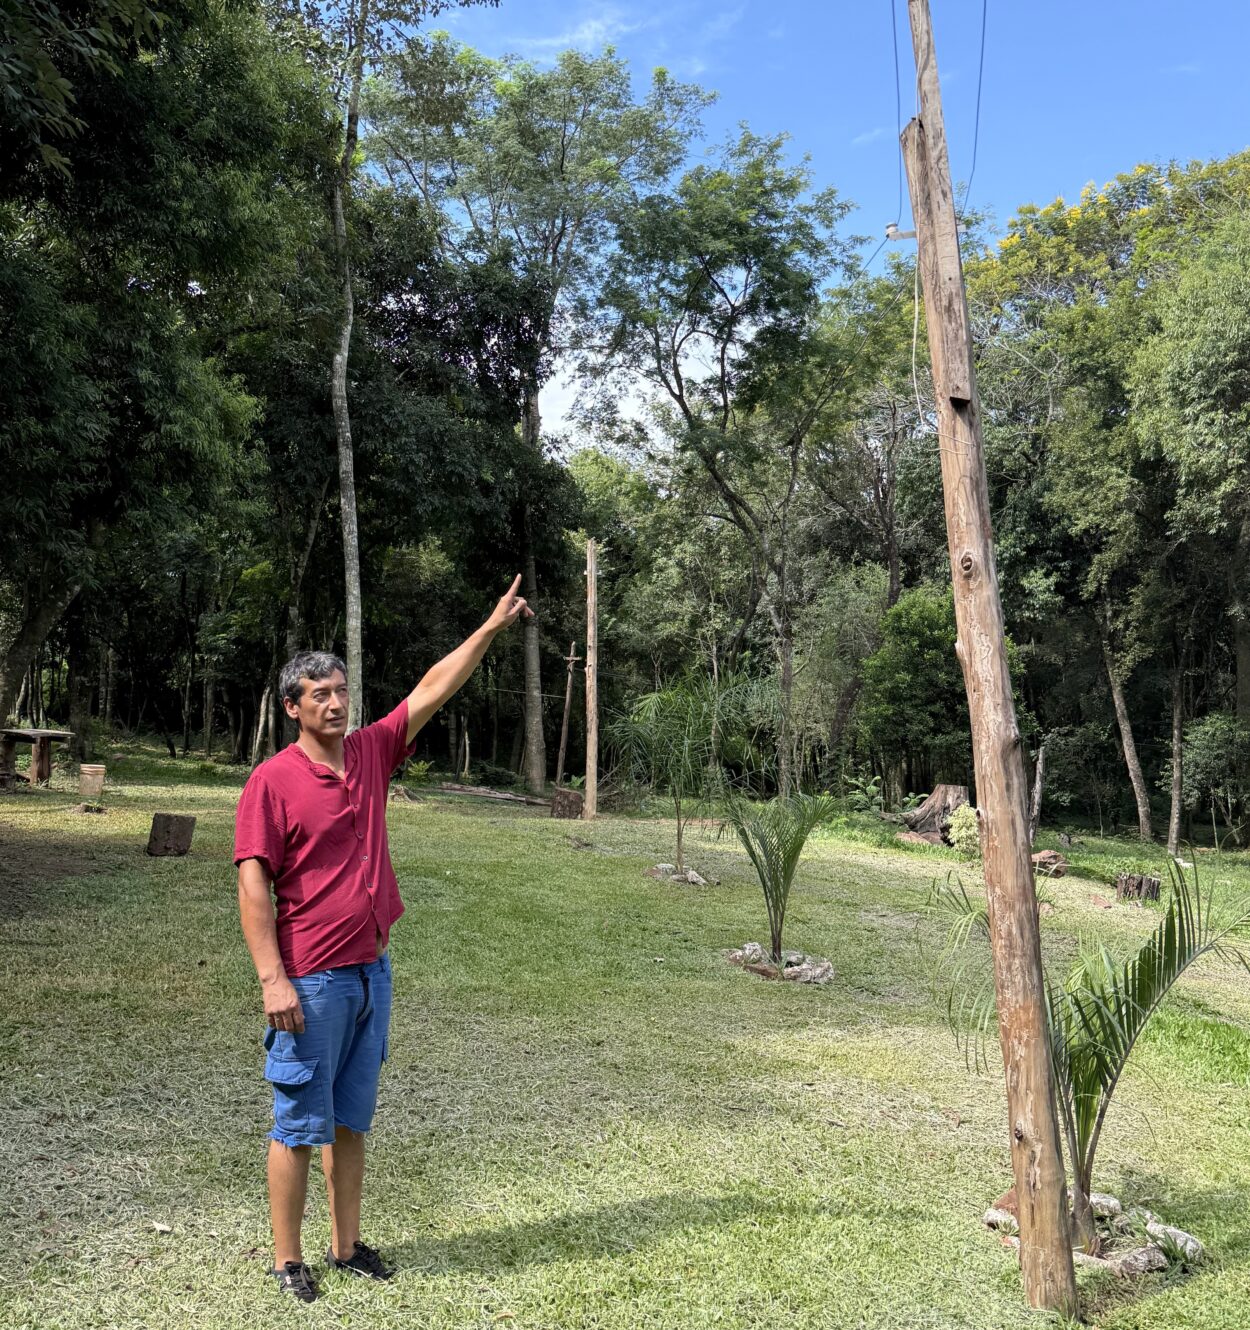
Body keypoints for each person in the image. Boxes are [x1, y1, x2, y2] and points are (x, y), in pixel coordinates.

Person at [234, 576, 531, 1302]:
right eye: (319, 695)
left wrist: (489, 627)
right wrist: (273, 980)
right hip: (311, 979)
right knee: (299, 1122)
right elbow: (252, 886)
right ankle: (287, 1260)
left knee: (350, 1120)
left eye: (341, 691)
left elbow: (433, 687)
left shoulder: (369, 753)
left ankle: (345, 1246)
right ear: (292, 708)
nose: (336, 703)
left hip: (371, 973)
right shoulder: (272, 782)